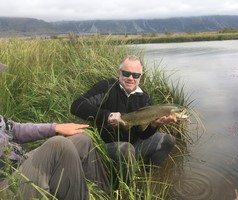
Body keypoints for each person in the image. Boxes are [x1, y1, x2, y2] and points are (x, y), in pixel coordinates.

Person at [0, 63, 110, 200]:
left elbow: (15, 129)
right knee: (59, 145)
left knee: (82, 139)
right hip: (7, 183)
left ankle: (105, 195)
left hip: (20, 163)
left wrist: (55, 128)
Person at [70, 55, 177, 187]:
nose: (131, 78)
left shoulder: (144, 98)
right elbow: (76, 106)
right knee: (126, 149)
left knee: (169, 140)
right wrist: (107, 116)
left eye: (135, 75)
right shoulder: (106, 87)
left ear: (140, 77)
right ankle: (124, 189)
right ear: (119, 73)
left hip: (133, 145)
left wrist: (153, 126)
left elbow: (142, 134)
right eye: (126, 73)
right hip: (106, 147)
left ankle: (145, 177)